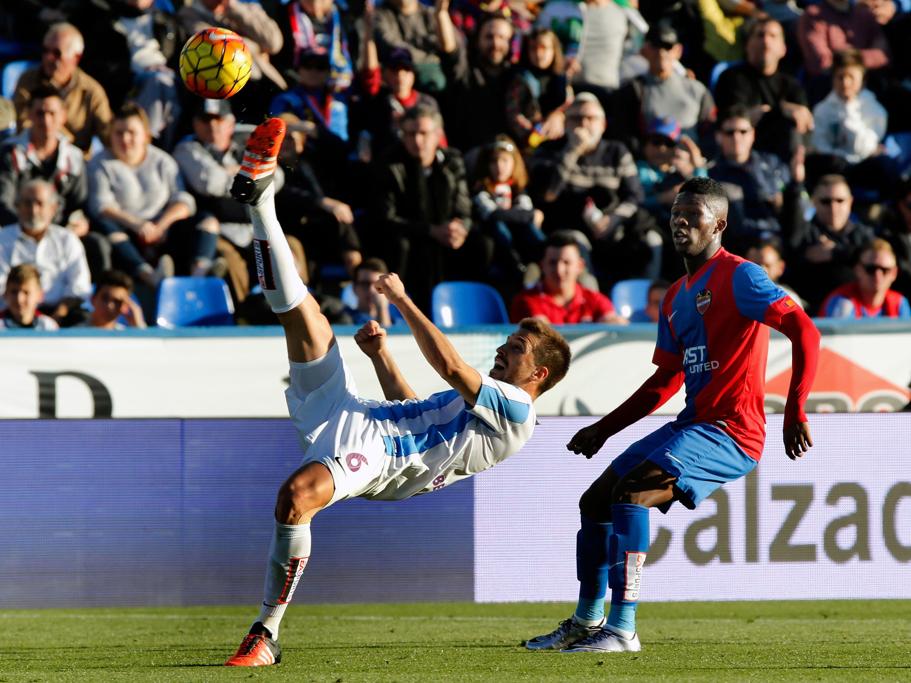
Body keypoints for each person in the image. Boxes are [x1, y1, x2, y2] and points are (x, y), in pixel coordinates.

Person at [223, 117, 571, 666]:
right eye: (508, 341)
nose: (504, 350)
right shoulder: (482, 404)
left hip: (384, 458)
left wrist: (405, 301)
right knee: (305, 316)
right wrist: (382, 357)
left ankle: (265, 633)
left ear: (539, 375)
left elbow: (453, 368)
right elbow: (416, 406)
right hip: (370, 416)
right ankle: (261, 201)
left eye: (517, 349)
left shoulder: (518, 412)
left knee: (296, 497)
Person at [525, 176, 820, 654]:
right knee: (595, 501)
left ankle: (622, 629)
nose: (680, 221)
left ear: (719, 223)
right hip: (693, 423)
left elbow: (805, 331)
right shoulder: (676, 297)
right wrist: (603, 429)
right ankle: (587, 620)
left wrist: (795, 409)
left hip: (733, 431)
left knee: (632, 494)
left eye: (693, 214)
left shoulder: (740, 276)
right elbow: (665, 382)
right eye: (675, 213)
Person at [369, 104, 493, 314]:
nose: (417, 140)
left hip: (446, 236)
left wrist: (460, 228)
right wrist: (430, 231)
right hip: (411, 236)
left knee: (483, 244)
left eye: (423, 133)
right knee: (406, 246)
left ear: (437, 135)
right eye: (410, 134)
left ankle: (473, 309)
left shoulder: (452, 161)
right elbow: (386, 218)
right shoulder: (389, 164)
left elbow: (464, 208)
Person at [87, 103, 195, 288]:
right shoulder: (100, 163)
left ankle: (199, 275)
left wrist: (160, 226)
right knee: (105, 228)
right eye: (118, 133)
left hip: (162, 230)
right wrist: (137, 225)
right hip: (125, 231)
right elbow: (101, 206)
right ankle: (147, 274)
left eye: (131, 132)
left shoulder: (163, 161)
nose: (125, 139)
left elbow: (183, 201)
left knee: (206, 221)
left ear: (145, 135)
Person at [713, 17, 814, 163]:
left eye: (773, 36)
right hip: (745, 155)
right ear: (747, 45)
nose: (766, 41)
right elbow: (737, 120)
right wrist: (783, 110)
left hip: (786, 157)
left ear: (783, 48)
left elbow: (804, 121)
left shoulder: (792, 85)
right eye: (760, 35)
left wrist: (767, 112)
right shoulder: (731, 78)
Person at [12, 23, 112, 155]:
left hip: (77, 164)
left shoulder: (91, 91)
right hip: (34, 155)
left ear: (76, 57)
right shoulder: (28, 81)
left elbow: (109, 134)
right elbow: (23, 123)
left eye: (56, 53)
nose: (48, 58)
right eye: (45, 50)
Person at [0, 179, 91, 324]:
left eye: (39, 203)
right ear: (17, 206)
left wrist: (56, 318)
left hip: (60, 314)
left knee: (83, 318)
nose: (33, 210)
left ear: (53, 208)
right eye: (27, 203)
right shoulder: (3, 239)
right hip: (12, 313)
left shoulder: (67, 239)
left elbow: (79, 287)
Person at [789, 174, 875, 311]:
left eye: (840, 200)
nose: (833, 207)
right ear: (814, 202)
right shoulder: (803, 234)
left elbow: (878, 260)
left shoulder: (864, 235)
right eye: (825, 201)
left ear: (850, 202)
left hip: (859, 313)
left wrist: (835, 253)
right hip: (812, 313)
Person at [510, 231, 626, 324]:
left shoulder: (595, 300)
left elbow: (616, 327)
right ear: (542, 266)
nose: (559, 270)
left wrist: (614, 325)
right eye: (552, 262)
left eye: (566, 262)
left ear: (580, 266)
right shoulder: (526, 301)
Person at [818, 239, 911, 318]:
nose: (877, 275)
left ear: (894, 273)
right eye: (870, 269)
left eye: (885, 270)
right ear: (857, 270)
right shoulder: (842, 302)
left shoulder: (899, 304)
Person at [342, 257, 403, 327]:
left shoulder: (399, 322)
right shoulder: (344, 319)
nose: (371, 290)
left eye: (377, 285)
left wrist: (382, 309)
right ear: (354, 288)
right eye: (364, 284)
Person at [79, 269, 147, 329]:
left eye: (117, 301)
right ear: (93, 299)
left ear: (125, 306)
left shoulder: (126, 337)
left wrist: (138, 325)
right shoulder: (74, 335)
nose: (109, 306)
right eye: (105, 298)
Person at [0, 263, 60, 330]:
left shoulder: (48, 326)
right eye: (14, 292)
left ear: (40, 296)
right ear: (5, 294)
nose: (19, 299)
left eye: (26, 292)